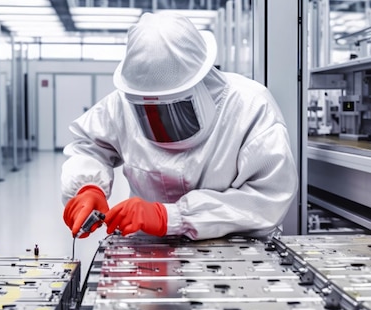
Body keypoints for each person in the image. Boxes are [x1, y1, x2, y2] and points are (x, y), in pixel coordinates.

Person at [61, 12, 297, 241]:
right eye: (146, 109)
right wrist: (88, 187)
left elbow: (268, 199)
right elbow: (88, 146)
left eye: (171, 106)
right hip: (148, 245)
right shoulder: (122, 102)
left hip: (235, 250)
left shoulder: (250, 106)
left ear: (201, 81)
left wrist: (169, 216)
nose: (159, 121)